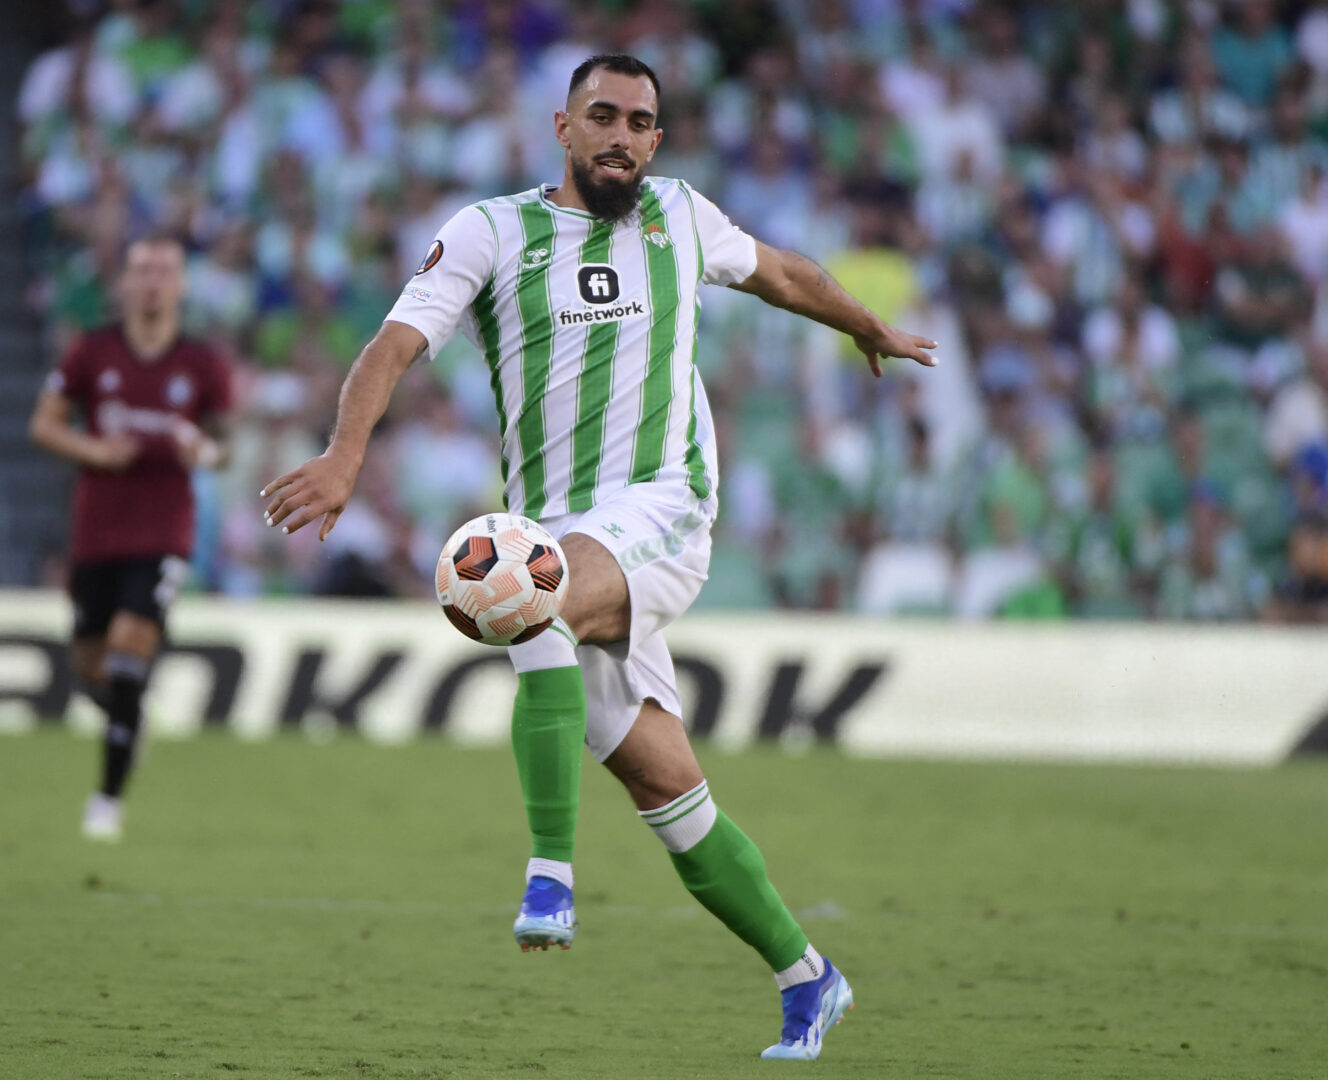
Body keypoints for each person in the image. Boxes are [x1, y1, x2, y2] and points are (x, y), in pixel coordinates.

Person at [261, 55, 935, 1062]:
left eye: (642, 121)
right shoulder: (492, 232)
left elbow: (784, 273)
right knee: (670, 796)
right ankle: (810, 977)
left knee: (532, 587)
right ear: (564, 129)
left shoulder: (682, 216)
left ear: (657, 141)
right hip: (567, 533)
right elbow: (395, 344)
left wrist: (863, 325)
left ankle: (550, 876)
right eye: (603, 116)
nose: (623, 134)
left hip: (664, 508)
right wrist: (346, 454)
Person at [28, 234, 233, 841]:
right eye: (141, 269)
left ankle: (107, 801)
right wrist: (93, 448)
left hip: (165, 528)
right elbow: (45, 424)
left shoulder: (202, 362)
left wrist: (206, 449)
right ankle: (129, 715)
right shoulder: (91, 351)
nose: (151, 281)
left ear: (181, 284)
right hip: (98, 529)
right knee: (90, 662)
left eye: (163, 270)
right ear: (124, 282)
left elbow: (223, 446)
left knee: (129, 640)